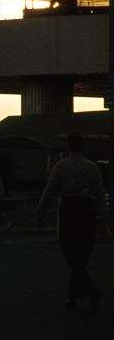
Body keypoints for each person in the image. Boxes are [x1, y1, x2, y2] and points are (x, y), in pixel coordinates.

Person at [36, 132, 108, 313]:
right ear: (83, 146)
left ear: (68, 146)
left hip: (69, 209)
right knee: (82, 255)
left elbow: (50, 190)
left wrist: (40, 212)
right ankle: (74, 296)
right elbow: (99, 194)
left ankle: (86, 292)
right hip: (87, 210)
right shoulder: (92, 167)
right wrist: (105, 220)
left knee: (69, 251)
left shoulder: (61, 166)